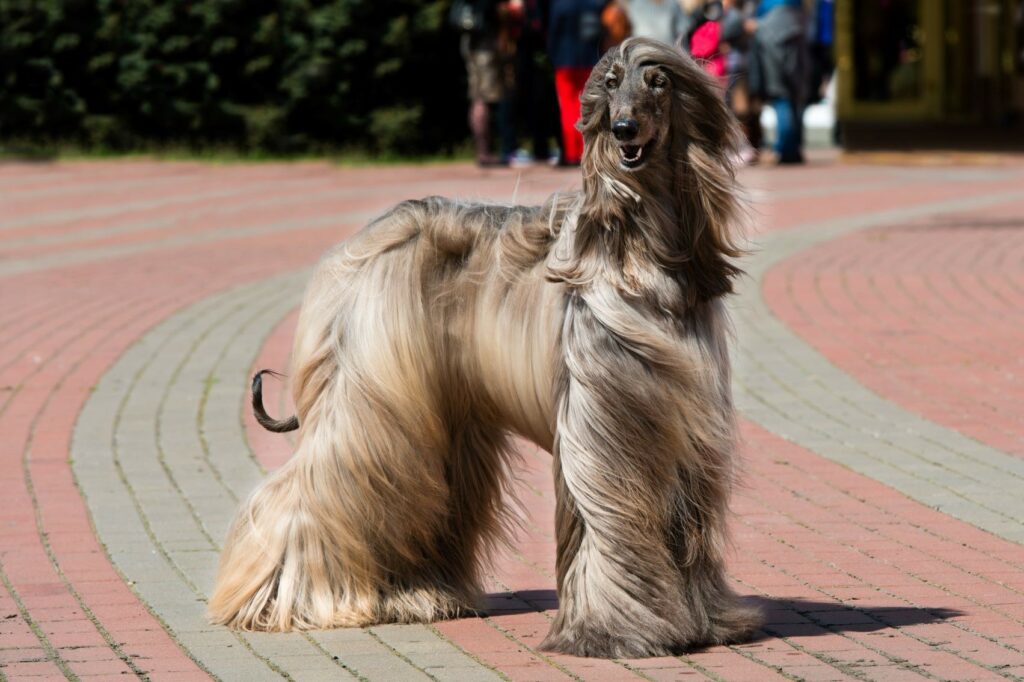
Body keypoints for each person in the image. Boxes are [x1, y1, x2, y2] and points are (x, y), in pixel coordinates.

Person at [748, 0, 808, 164]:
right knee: (794, 95)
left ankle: (785, 149)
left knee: (781, 97)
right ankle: (793, 148)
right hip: (797, 29)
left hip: (773, 35)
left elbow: (757, 21)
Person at [548, 0, 605, 166]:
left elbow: (553, 34)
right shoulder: (593, 4)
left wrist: (553, 57)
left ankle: (572, 153)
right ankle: (587, 151)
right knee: (588, 107)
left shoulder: (560, 5)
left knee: (568, 107)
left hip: (565, 62)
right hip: (589, 60)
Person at [455, 0, 512, 166]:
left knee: (476, 97)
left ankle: (482, 151)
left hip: (470, 44)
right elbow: (500, 12)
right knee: (483, 99)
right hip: (484, 47)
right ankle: (484, 153)